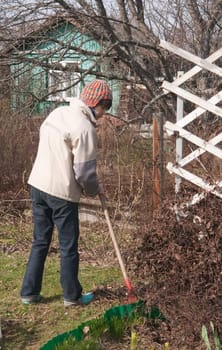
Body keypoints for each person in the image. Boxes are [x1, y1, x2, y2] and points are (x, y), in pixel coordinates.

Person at [20, 79, 113, 306]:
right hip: (61, 192)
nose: (104, 113)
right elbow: (84, 172)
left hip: (38, 184)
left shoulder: (57, 114)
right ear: (98, 104)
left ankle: (29, 293)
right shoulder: (85, 128)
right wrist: (94, 190)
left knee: (40, 241)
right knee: (68, 245)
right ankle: (72, 296)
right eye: (106, 107)